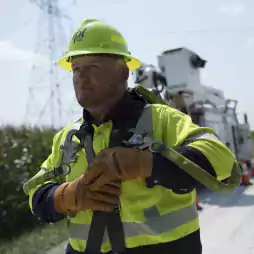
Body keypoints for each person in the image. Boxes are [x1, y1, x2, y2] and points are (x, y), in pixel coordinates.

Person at [26, 18, 241, 254]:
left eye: (93, 67)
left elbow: (223, 161)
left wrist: (146, 164)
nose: (81, 77)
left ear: (123, 72)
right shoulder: (68, 138)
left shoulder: (163, 120)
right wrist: (69, 196)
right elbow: (36, 192)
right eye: (76, 69)